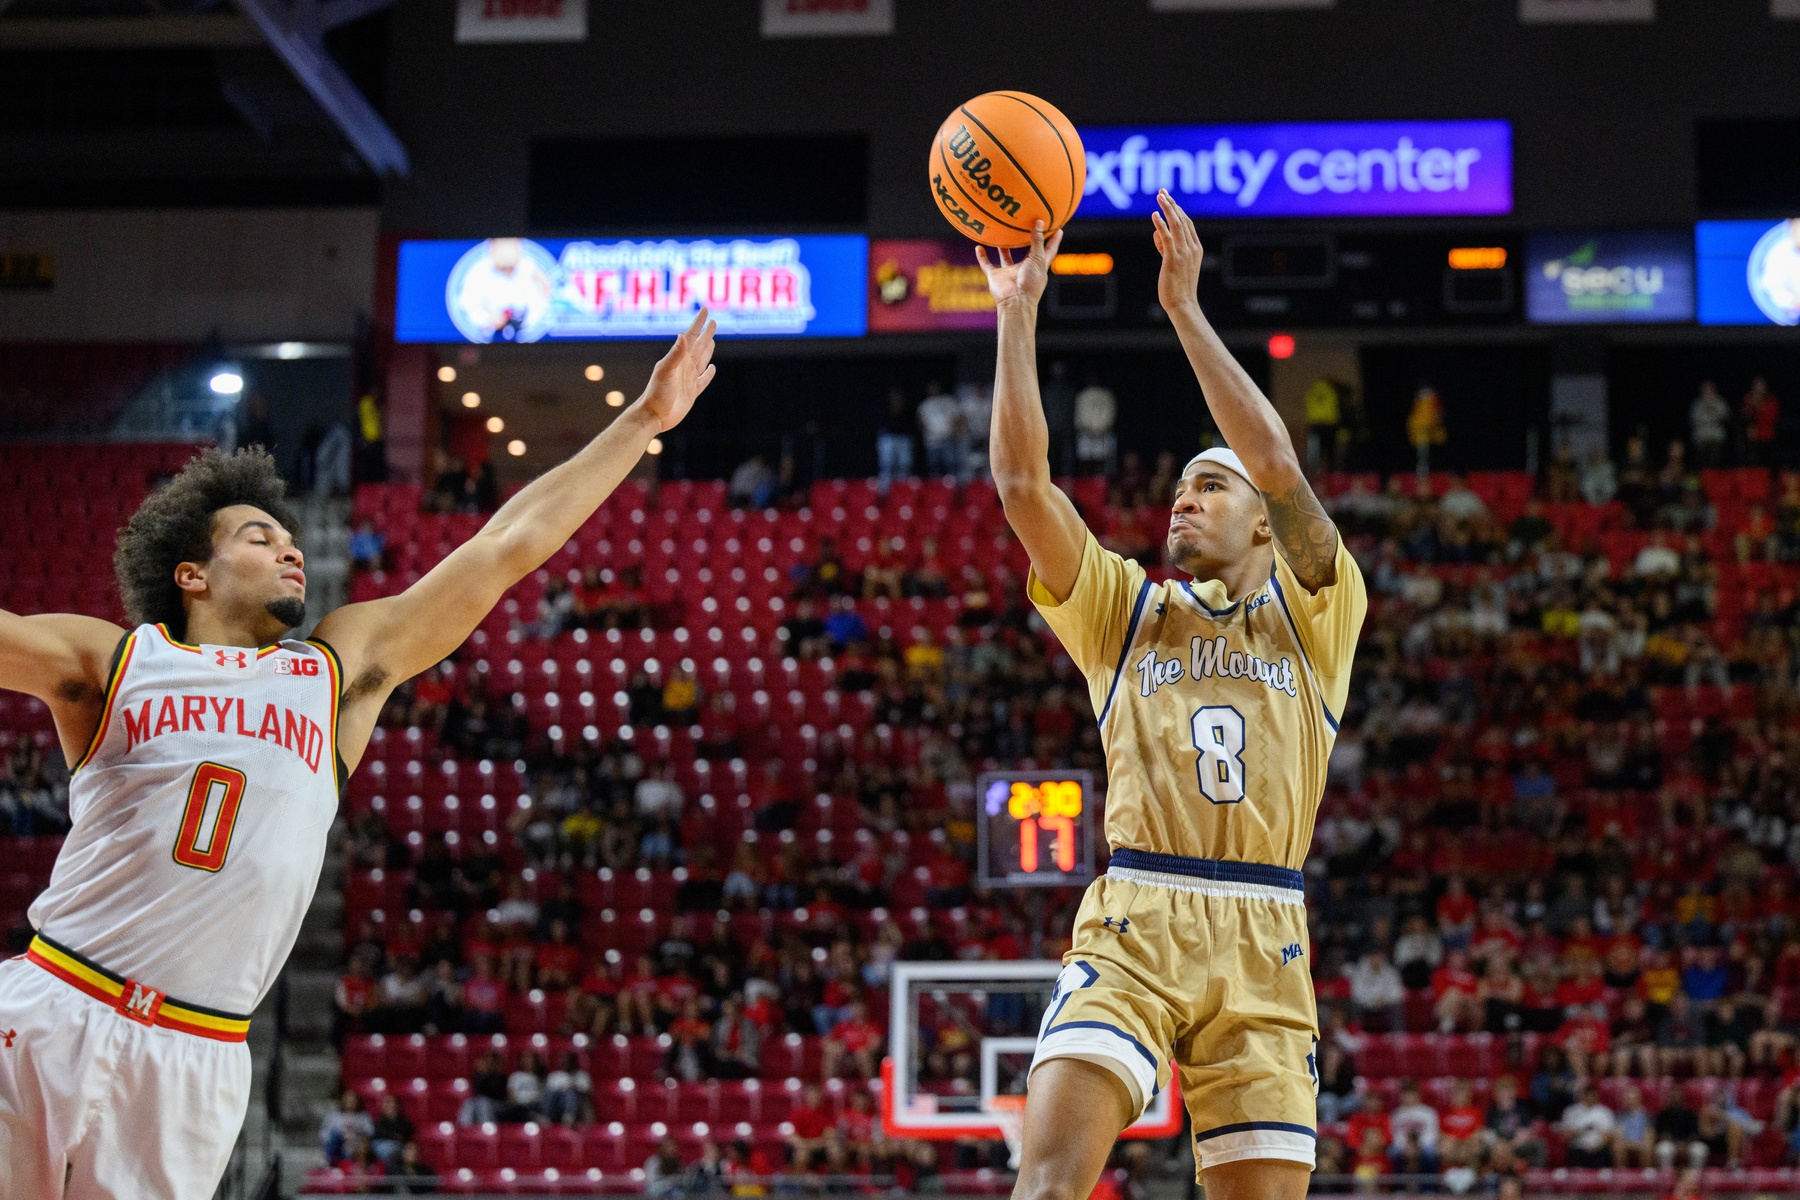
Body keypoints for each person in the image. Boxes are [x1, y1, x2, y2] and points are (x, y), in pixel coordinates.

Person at [0, 312, 718, 1199]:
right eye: (259, 538)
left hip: (197, 1051)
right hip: (50, 1002)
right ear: (192, 574)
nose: (290, 547)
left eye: (291, 537)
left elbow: (505, 548)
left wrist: (642, 420)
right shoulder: (114, 661)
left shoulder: (336, 673)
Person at [976, 193, 1366, 1200]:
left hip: (1268, 935)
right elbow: (1023, 485)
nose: (1182, 500)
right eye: (1180, 487)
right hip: (1137, 914)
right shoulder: (1123, 609)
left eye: (1208, 486)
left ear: (1266, 527)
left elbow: (1276, 463)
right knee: (1047, 1188)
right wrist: (1018, 308)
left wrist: (1184, 309)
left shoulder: (1321, 610)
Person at [1072, 372, 1117, 476]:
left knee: (1101, 458)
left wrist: (1104, 427)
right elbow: (1078, 413)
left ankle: (1099, 480)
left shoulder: (1106, 395)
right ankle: (1085, 479)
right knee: (1084, 458)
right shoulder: (1082, 395)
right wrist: (1082, 427)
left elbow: (1110, 412)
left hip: (1102, 432)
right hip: (1085, 432)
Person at [917, 381, 963, 478]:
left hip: (947, 438)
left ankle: (951, 485)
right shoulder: (925, 404)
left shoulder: (948, 401)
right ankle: (935, 486)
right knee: (934, 465)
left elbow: (958, 417)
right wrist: (926, 433)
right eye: (931, 389)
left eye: (935, 388)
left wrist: (954, 430)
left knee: (950, 464)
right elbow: (920, 421)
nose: (934, 391)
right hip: (932, 440)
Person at [875, 386, 914, 487]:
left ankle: (902, 488)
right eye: (893, 395)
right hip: (887, 438)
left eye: (898, 395)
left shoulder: (906, 408)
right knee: (886, 465)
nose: (896, 397)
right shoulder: (884, 408)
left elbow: (910, 424)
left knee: (903, 465)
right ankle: (885, 490)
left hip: (903, 438)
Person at [1691, 380, 1731, 467]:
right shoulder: (1697, 404)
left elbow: (1725, 417)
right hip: (1702, 438)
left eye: (1710, 389)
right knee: (1701, 455)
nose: (1708, 391)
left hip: (1716, 437)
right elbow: (1693, 420)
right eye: (1705, 389)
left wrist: (1713, 409)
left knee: (1716, 455)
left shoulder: (1720, 402)